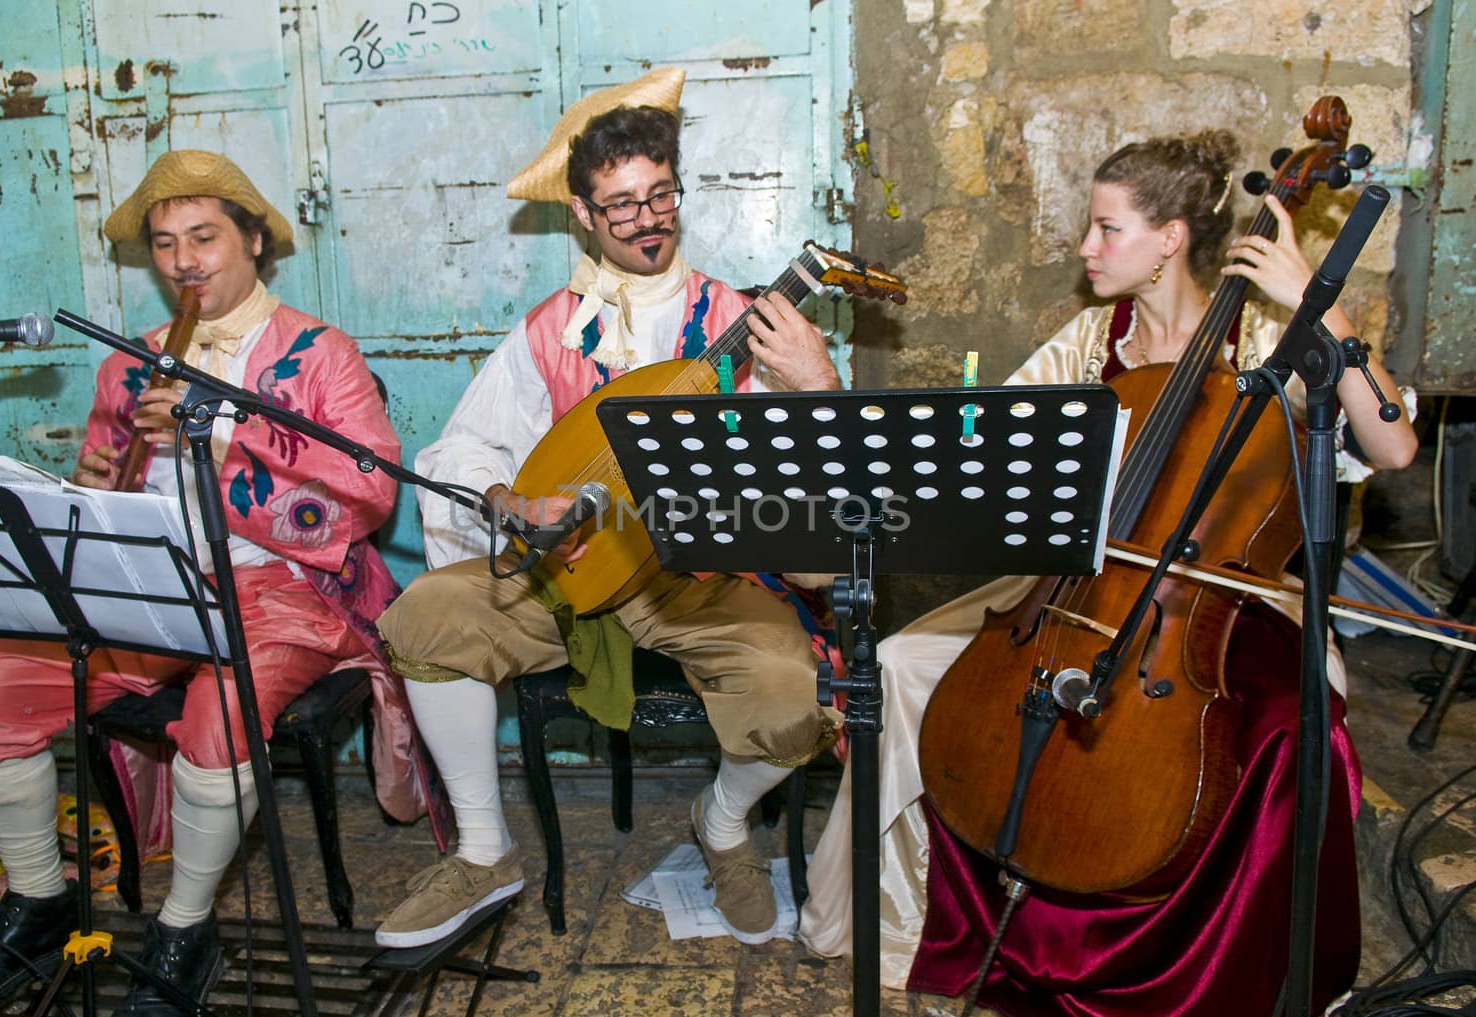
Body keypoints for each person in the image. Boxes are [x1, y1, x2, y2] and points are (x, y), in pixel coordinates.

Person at [797, 129, 1418, 1015]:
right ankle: (906, 916)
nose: (1086, 249)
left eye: (1106, 229)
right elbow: (983, 446)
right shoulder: (1092, 341)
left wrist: (1324, 312)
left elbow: (1393, 445)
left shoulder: (1274, 333)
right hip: (1079, 592)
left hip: (1226, 606)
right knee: (897, 664)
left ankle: (1231, 973)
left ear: (1170, 238)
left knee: (1287, 729)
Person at [0, 150, 447, 1017]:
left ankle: (185, 932)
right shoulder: (131, 361)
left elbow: (371, 492)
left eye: (205, 237)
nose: (186, 260)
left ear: (254, 241)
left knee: (221, 710)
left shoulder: (318, 352)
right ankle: (39, 905)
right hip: (143, 584)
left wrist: (221, 439)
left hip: (284, 586)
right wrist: (91, 483)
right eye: (165, 243)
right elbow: (99, 496)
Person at [372, 67, 844, 950]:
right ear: (583, 215)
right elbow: (462, 449)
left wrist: (817, 384)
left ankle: (724, 820)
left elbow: (822, 494)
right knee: (423, 616)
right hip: (578, 567)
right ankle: (483, 851)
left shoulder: (740, 320)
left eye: (659, 194)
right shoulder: (551, 327)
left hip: (703, 579)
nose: (646, 219)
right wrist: (511, 498)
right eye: (620, 204)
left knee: (796, 696)